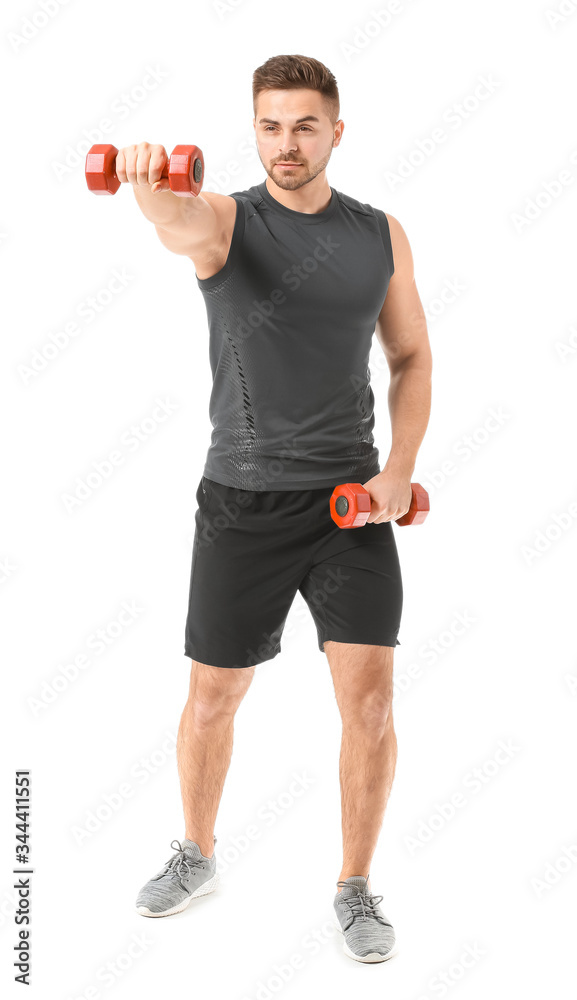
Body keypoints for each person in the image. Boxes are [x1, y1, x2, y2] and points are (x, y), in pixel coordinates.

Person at [126, 54, 432, 963]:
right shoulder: (228, 220)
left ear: (336, 131)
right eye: (269, 126)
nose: (285, 144)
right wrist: (148, 185)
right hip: (240, 502)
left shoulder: (381, 234)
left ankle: (354, 888)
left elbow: (411, 358)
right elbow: (175, 223)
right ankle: (197, 850)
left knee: (368, 701)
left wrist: (397, 470)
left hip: (349, 506)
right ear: (251, 130)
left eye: (303, 125)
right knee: (213, 693)